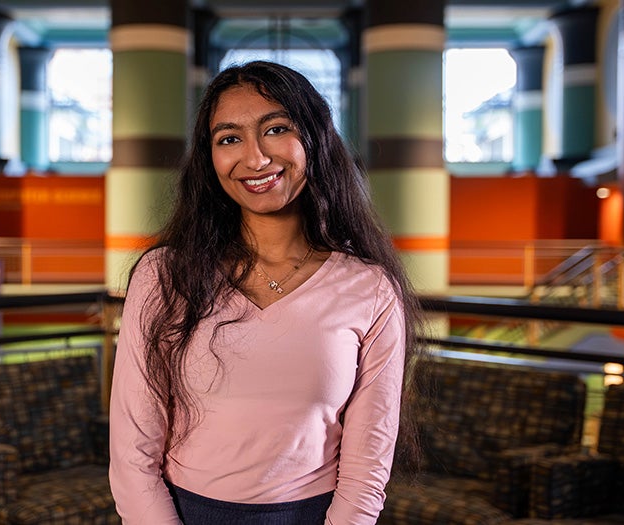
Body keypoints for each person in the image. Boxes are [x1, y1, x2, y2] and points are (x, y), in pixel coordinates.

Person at [109, 60, 423, 525]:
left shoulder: (370, 289)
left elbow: (369, 461)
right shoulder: (164, 275)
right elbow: (133, 450)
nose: (254, 159)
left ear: (315, 139)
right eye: (229, 138)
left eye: (276, 129)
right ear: (209, 158)